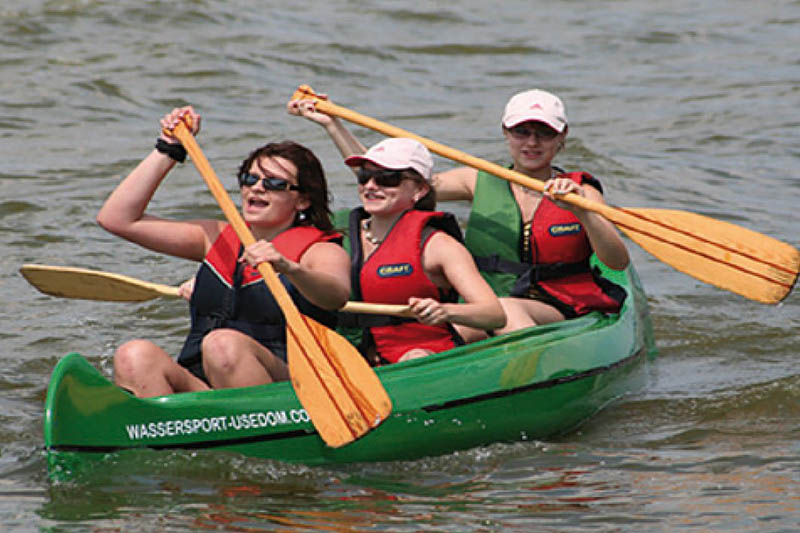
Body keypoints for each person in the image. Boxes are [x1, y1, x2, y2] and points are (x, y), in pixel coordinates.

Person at [287, 89, 629, 340]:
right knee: (428, 333)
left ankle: (536, 383)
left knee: (508, 310)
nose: (532, 142)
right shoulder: (476, 179)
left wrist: (583, 213)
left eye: (544, 133)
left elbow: (615, 261)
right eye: (521, 131)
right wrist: (332, 126)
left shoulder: (581, 191)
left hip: (559, 303)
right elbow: (395, 180)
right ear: (506, 133)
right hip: (488, 303)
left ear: (562, 137)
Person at [96, 106, 350, 397]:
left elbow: (336, 297)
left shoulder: (319, 250)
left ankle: (261, 432)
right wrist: (169, 149)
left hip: (290, 384)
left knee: (222, 344)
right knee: (134, 355)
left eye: (275, 184)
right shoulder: (214, 237)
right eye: (249, 179)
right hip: (206, 381)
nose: (257, 189)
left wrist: (289, 267)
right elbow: (116, 219)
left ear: (303, 200)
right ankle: (170, 436)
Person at [331, 137, 505, 365]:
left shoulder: (439, 246)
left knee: (413, 357)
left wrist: (445, 311)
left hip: (419, 353)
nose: (371, 186)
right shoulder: (340, 234)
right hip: (357, 351)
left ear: (420, 190)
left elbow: (494, 314)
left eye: (388, 178)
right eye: (365, 176)